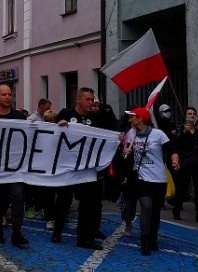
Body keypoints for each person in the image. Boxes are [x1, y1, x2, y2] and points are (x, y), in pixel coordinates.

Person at [54, 87, 111, 250]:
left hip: (87, 168)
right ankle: (57, 230)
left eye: (92, 99)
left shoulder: (96, 117)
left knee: (88, 203)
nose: (91, 103)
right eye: (87, 99)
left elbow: (104, 135)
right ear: (77, 100)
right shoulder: (66, 114)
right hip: (68, 167)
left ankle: (85, 237)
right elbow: (53, 134)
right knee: (64, 200)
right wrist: (60, 126)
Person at [122, 107, 180, 256]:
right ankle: (145, 242)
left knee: (155, 212)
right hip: (141, 178)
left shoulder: (158, 134)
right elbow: (124, 153)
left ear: (140, 118)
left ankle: (153, 239)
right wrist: (126, 151)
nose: (129, 120)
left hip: (159, 178)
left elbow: (171, 150)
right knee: (146, 208)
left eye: (132, 117)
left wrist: (175, 161)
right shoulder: (131, 134)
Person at [0, 84, 29, 247]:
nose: (8, 97)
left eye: (10, 94)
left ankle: (16, 233)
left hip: (14, 167)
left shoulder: (18, 117)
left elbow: (31, 133)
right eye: (5, 95)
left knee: (18, 196)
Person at [171, 118, 198, 223]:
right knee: (182, 188)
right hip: (185, 163)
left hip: (197, 163)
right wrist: (184, 132)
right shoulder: (181, 131)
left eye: (193, 114)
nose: (192, 117)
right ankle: (176, 209)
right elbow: (177, 145)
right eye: (189, 114)